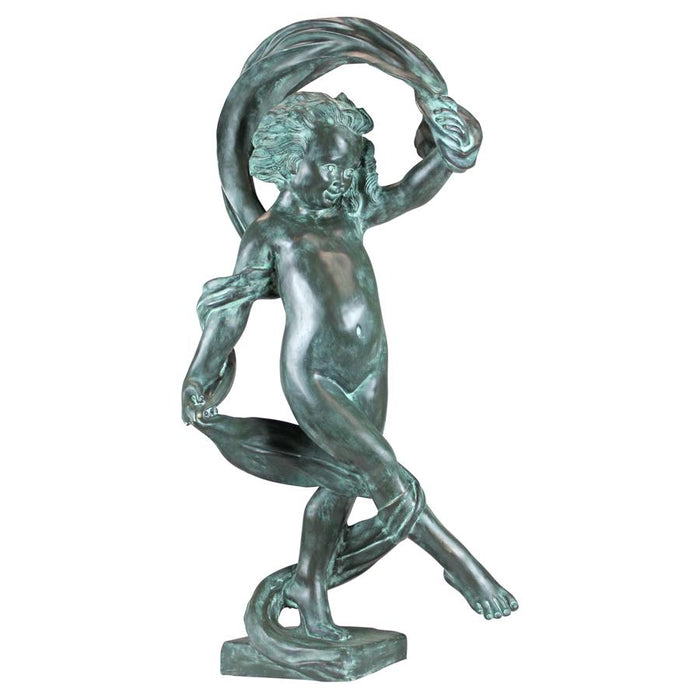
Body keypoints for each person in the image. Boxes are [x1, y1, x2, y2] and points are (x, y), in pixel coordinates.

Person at [182, 91, 517, 640]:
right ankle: (463, 568)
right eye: (330, 165)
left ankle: (309, 586)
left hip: (371, 369)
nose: (342, 178)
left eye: (349, 165)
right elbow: (231, 312)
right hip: (315, 377)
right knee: (383, 471)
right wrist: (200, 374)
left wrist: (452, 150)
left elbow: (411, 189)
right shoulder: (271, 233)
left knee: (341, 485)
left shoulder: (351, 214)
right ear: (292, 162)